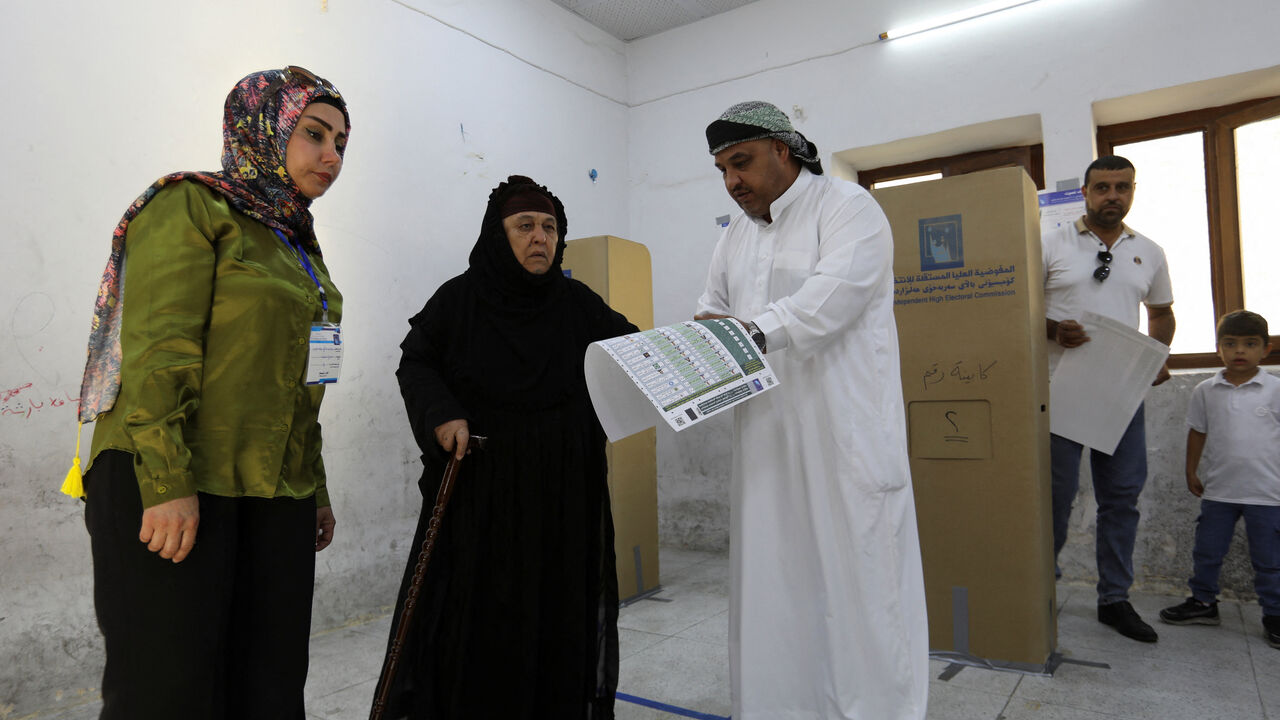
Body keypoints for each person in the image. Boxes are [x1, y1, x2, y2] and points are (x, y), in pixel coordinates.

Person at [72, 66, 350, 719]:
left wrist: (313, 487)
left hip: (273, 493)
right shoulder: (191, 205)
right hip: (170, 481)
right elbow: (159, 348)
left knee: (271, 686)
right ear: (264, 128)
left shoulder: (299, 247)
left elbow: (303, 387)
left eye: (342, 141)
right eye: (314, 134)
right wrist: (167, 482)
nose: (332, 156)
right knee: (168, 691)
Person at [695, 100, 928, 720]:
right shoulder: (734, 235)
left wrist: (751, 331)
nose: (732, 181)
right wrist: (697, 344)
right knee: (775, 584)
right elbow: (713, 307)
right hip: (767, 437)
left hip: (842, 435)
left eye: (740, 162)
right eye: (722, 169)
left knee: (858, 584)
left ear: (783, 150)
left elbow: (834, 296)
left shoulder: (848, 208)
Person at [379, 175, 637, 719]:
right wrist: (443, 413)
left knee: (558, 611)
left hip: (565, 490)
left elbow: (632, 350)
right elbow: (416, 362)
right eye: (525, 226)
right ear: (497, 236)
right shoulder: (459, 299)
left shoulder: (576, 303)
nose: (540, 238)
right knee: (480, 618)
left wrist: (698, 347)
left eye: (549, 228)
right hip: (484, 489)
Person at [1044, 155, 1175, 643]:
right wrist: (1054, 329)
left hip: (1123, 393)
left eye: (1122, 187)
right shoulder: (1049, 244)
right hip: (1059, 393)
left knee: (1121, 499)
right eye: (1102, 187)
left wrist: (1160, 355)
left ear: (1133, 191)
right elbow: (1017, 311)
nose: (1112, 196)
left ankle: (1114, 599)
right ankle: (1042, 595)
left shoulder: (1150, 251)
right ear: (1085, 193)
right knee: (1054, 501)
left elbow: (1160, 313)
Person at [1158, 310, 1279, 649]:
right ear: (1218, 349)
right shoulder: (1206, 390)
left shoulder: (1275, 389)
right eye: (1230, 344)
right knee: (1207, 550)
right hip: (1220, 491)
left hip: (1268, 494)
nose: (1239, 351)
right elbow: (1198, 432)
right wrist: (1190, 470)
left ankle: (1275, 614)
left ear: (1265, 350)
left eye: (1250, 344)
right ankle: (1203, 602)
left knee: (1270, 560)